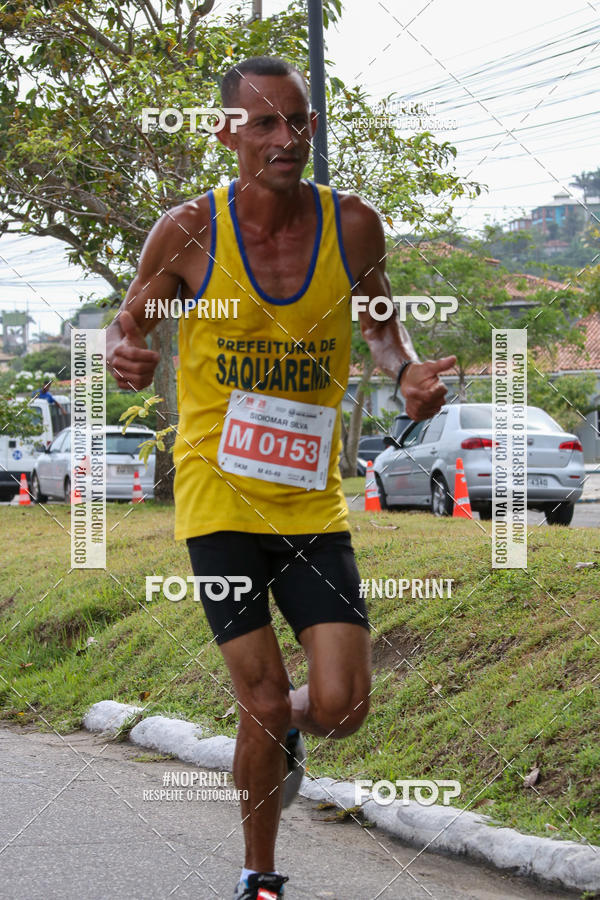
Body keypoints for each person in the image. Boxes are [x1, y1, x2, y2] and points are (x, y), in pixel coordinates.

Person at [106, 56, 456, 900]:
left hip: (308, 499)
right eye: (264, 122)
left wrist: (405, 372)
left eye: (297, 121)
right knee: (260, 698)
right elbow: (132, 321)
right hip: (216, 492)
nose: (285, 138)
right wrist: (126, 352)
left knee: (339, 706)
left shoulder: (352, 225)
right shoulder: (190, 230)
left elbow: (381, 326)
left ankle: (276, 734)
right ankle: (259, 874)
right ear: (227, 132)